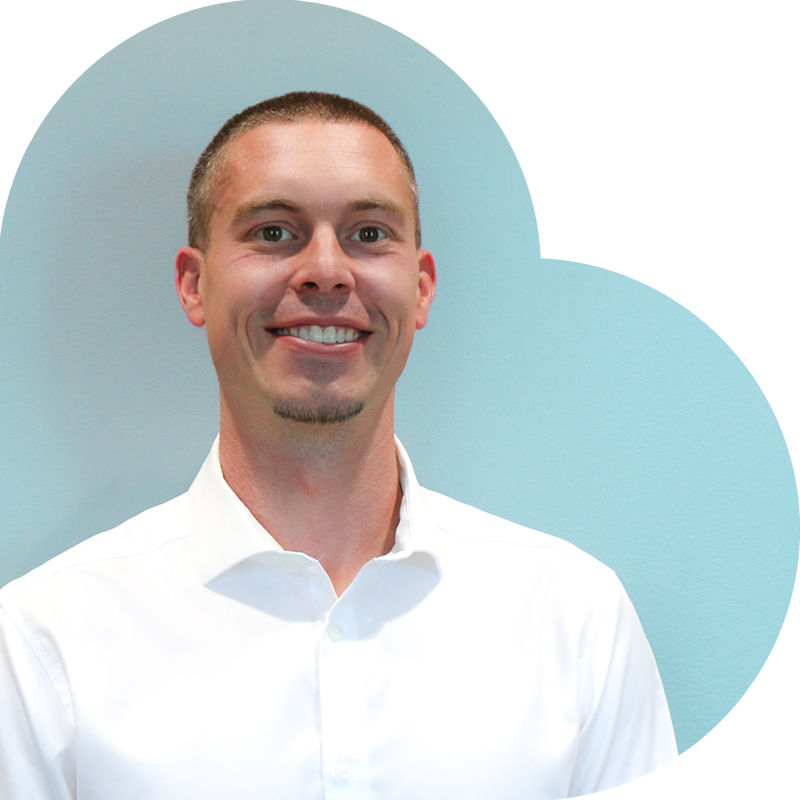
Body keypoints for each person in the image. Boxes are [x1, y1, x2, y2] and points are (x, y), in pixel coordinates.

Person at [0, 92, 683, 799]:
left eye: (367, 234)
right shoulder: (44, 644)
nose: (326, 271)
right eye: (273, 232)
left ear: (420, 290)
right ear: (194, 284)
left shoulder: (573, 622)